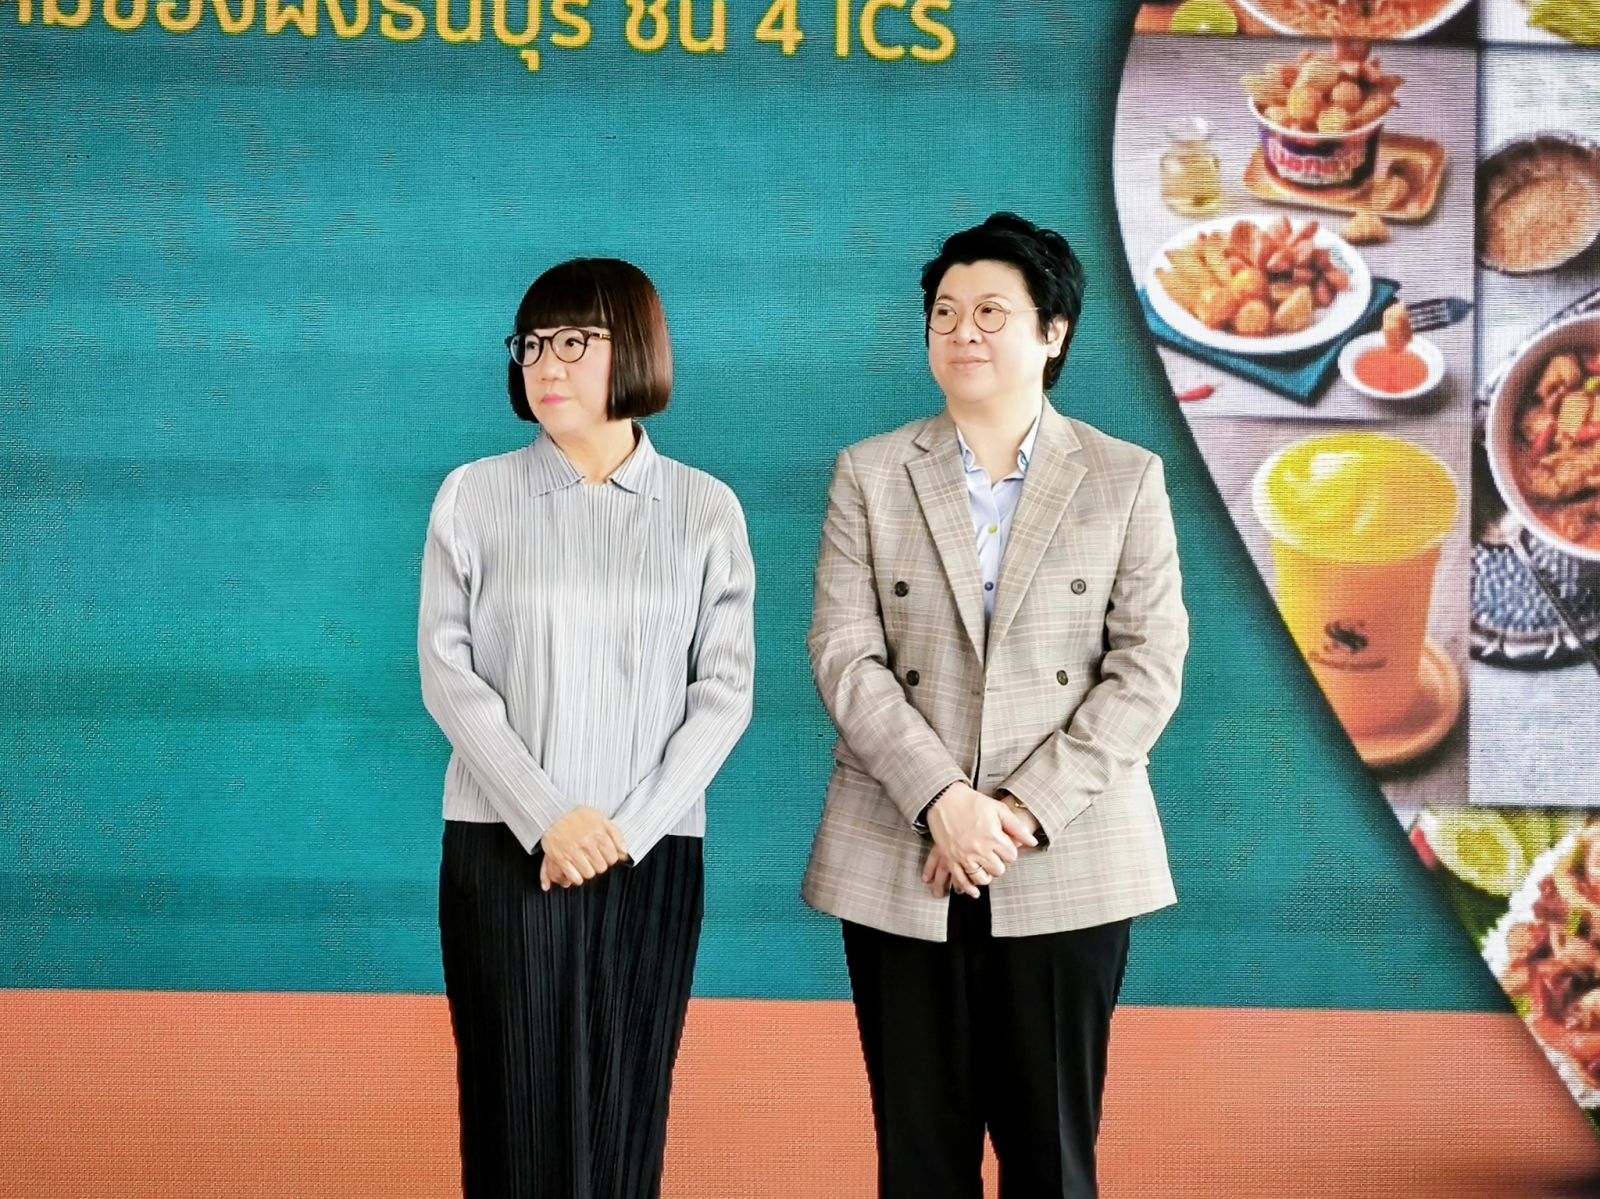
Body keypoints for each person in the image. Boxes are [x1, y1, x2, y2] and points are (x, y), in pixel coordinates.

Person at [801, 213, 1188, 1199]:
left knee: (1051, 1158)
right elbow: (845, 653)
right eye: (943, 312)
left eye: (989, 312)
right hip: (902, 848)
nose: (960, 332)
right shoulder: (869, 472)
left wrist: (1014, 812)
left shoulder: (1123, 477)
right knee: (918, 1160)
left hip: (1065, 852)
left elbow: (1147, 666)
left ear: (1053, 332)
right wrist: (942, 799)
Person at [418, 257, 755, 1199]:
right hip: (501, 845)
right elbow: (448, 674)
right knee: (512, 1117)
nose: (547, 364)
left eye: (574, 340)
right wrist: (547, 818)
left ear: (635, 348)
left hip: (652, 852)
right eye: (532, 344)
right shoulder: (472, 495)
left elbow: (725, 691)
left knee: (624, 1119)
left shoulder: (705, 508)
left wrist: (624, 831)